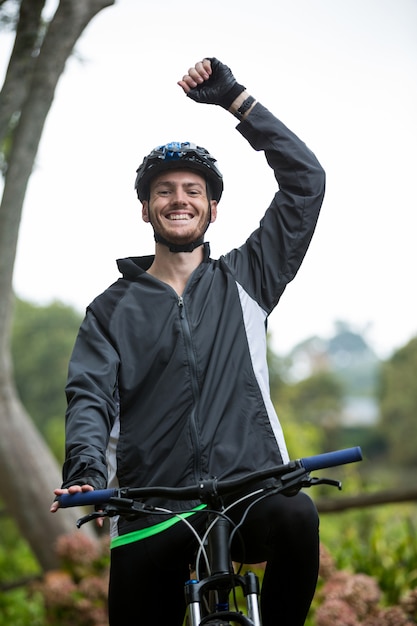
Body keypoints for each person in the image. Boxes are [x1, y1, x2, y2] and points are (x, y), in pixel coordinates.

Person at [51, 57, 326, 626]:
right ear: (146, 208)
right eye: (165, 191)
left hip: (252, 492)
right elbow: (90, 399)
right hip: (153, 506)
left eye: (192, 190)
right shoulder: (110, 311)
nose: (179, 199)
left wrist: (238, 102)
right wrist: (86, 472)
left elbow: (306, 181)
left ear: (212, 208)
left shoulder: (247, 278)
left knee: (299, 517)